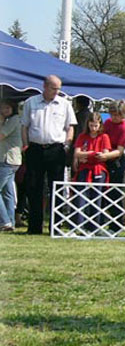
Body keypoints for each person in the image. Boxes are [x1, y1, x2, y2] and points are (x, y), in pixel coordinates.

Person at [21, 75, 77, 234]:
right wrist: (26, 145)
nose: (56, 91)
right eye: (53, 88)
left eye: (58, 89)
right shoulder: (31, 102)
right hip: (35, 149)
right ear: (45, 86)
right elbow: (24, 126)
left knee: (56, 188)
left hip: (56, 149)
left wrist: (67, 145)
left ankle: (56, 227)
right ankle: (34, 227)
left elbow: (70, 127)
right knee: (34, 187)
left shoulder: (64, 104)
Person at [73, 112, 111, 232]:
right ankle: (79, 225)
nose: (93, 128)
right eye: (91, 125)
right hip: (84, 169)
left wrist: (89, 155)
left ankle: (95, 227)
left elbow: (105, 154)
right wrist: (89, 154)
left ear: (100, 125)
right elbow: (77, 153)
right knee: (81, 196)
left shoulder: (104, 137)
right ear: (87, 124)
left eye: (96, 126)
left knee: (97, 197)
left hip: (99, 169)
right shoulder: (82, 136)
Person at [97, 100, 125, 231]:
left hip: (116, 162)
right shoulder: (107, 123)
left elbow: (120, 150)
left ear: (123, 114)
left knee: (114, 193)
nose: (114, 117)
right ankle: (99, 222)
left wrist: (106, 156)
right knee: (102, 192)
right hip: (104, 159)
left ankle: (116, 225)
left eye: (117, 115)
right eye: (112, 114)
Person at [0, 100, 22, 231]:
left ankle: (4, 221)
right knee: (7, 193)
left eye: (7, 108)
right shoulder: (9, 120)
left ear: (13, 108)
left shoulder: (14, 120)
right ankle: (10, 222)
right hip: (9, 160)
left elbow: (1, 135)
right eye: (2, 108)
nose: (4, 111)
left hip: (8, 160)